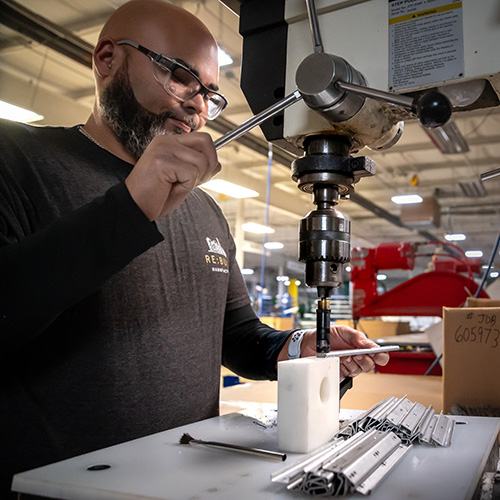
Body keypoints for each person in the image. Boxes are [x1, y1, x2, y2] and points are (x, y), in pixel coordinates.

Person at [0, 0, 388, 495]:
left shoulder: (203, 208)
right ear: (106, 59)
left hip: (190, 482)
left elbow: (237, 336)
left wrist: (296, 348)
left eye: (210, 94)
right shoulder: (16, 160)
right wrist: (133, 205)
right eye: (180, 77)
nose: (198, 106)